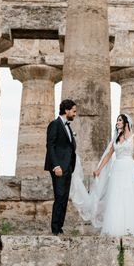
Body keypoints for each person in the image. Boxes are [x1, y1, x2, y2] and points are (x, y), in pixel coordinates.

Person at [70, 113, 134, 236]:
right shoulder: (115, 138)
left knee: (130, 195)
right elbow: (109, 155)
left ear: (126, 123)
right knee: (116, 196)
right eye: (117, 120)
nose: (117, 122)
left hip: (129, 167)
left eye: (119, 120)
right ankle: (116, 228)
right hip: (117, 169)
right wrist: (98, 169)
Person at [44, 99, 77, 235]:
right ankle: (55, 229)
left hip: (68, 167)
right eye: (74, 111)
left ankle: (60, 228)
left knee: (64, 198)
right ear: (67, 110)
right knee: (59, 196)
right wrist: (56, 166)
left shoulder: (68, 126)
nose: (75, 114)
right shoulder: (54, 124)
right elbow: (50, 146)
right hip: (58, 167)